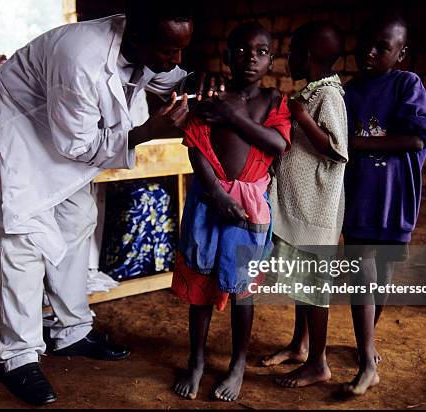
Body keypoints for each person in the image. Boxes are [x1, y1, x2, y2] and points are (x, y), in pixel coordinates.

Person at [0, 2, 195, 405]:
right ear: (139, 39)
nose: (176, 60)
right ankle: (19, 356)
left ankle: (72, 331)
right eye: (169, 50)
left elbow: (162, 78)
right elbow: (76, 145)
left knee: (78, 217)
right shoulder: (80, 57)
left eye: (181, 49)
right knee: (24, 238)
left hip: (69, 129)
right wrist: (147, 130)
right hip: (26, 127)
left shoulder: (142, 43)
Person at [171, 22, 291, 402]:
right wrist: (216, 194)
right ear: (227, 56)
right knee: (201, 287)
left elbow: (277, 144)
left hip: (250, 208)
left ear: (271, 59)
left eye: (260, 52)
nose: (250, 59)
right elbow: (195, 144)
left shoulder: (273, 101)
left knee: (242, 291)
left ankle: (237, 364)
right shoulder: (212, 94)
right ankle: (197, 360)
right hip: (209, 203)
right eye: (241, 51)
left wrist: (233, 117)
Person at [341, 13, 426, 395]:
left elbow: (417, 138)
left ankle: (368, 342)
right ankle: (366, 360)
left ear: (401, 53)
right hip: (361, 199)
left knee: (381, 278)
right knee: (362, 273)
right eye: (365, 41)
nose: (370, 51)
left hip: (396, 199)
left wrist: (357, 145)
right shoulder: (348, 92)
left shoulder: (406, 84)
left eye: (383, 46)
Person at [260, 21, 348, 388]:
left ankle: (318, 362)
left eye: (293, 52)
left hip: (317, 210)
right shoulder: (312, 92)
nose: (289, 58)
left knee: (315, 285)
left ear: (308, 56)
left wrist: (300, 117)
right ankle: (300, 345)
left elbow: (335, 149)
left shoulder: (329, 97)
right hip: (301, 206)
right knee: (302, 280)